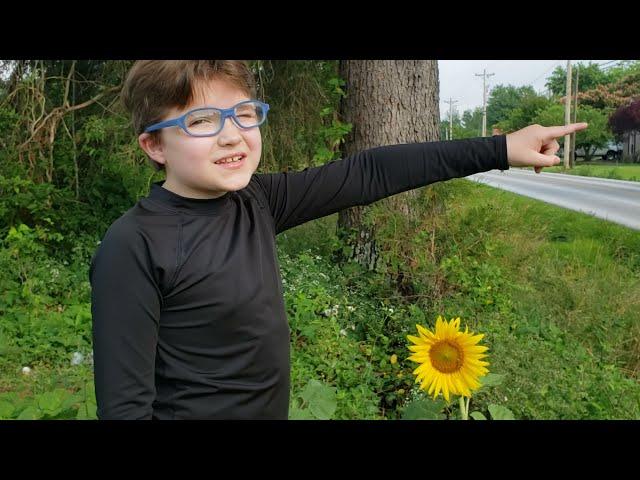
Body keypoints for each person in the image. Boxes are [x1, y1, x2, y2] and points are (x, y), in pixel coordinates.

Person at [89, 60, 587, 420]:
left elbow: (369, 172)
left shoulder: (257, 201)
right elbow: (125, 408)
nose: (232, 136)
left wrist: (500, 147)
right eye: (201, 121)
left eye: (244, 113)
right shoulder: (133, 246)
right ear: (154, 145)